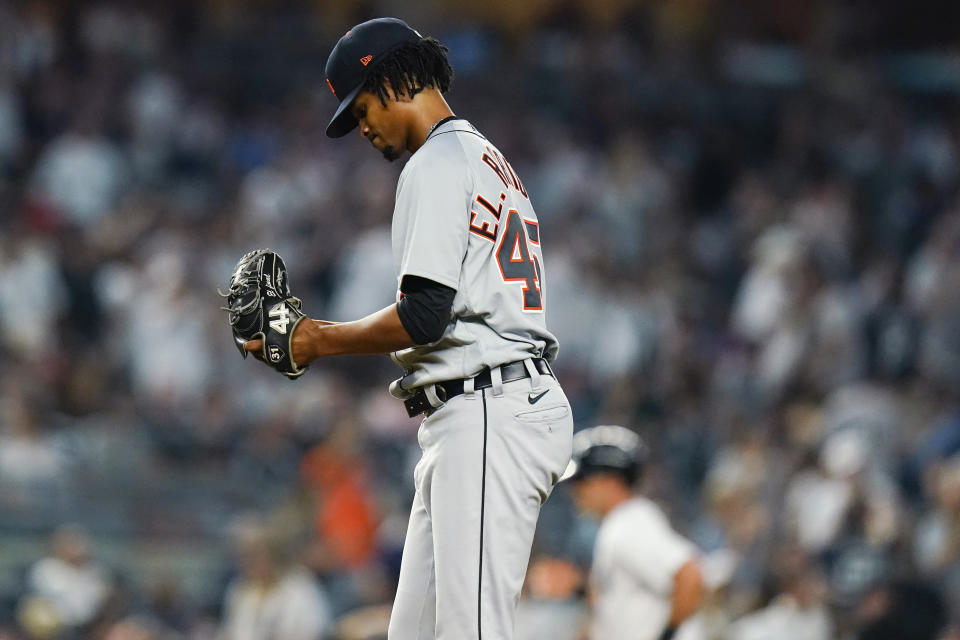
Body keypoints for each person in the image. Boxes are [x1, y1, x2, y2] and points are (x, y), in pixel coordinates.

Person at [243, 16, 574, 640]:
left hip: (487, 407)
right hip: (485, 403)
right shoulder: (482, 156)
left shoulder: (438, 161)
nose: (361, 126)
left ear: (396, 79)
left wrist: (315, 337)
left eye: (362, 106)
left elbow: (425, 315)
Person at [563, 425, 705, 640]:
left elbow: (689, 576)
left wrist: (665, 636)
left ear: (610, 480)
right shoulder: (620, 524)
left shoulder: (629, 524)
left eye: (582, 480)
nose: (575, 490)